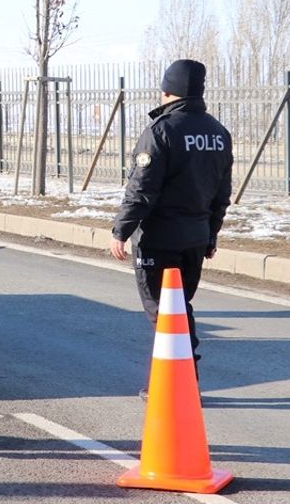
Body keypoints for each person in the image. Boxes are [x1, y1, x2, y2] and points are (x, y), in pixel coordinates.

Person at [110, 59, 232, 388]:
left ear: (167, 91)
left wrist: (121, 230)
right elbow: (221, 195)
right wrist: (210, 236)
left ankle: (175, 386)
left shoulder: (160, 131)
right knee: (179, 307)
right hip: (195, 238)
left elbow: (142, 189)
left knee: (162, 312)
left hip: (158, 240)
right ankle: (185, 376)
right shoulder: (219, 133)